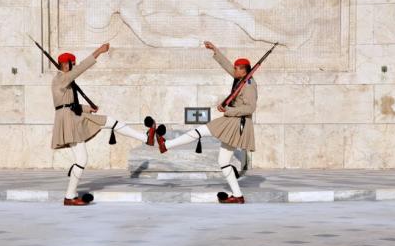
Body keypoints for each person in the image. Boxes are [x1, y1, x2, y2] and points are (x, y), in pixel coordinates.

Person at [51, 43, 159, 206]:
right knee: (104, 127)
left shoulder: (64, 80)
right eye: (69, 64)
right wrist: (98, 52)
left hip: (73, 116)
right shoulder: (61, 78)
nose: (71, 66)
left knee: (83, 157)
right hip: (69, 120)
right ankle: (145, 138)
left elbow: (68, 104)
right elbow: (79, 71)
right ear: (65, 64)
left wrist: (89, 108)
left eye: (70, 64)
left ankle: (69, 196)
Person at [153, 41, 257, 204]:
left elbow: (250, 108)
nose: (234, 70)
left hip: (237, 123)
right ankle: (238, 196)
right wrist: (216, 51)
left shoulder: (249, 85)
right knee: (223, 162)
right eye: (235, 68)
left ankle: (166, 145)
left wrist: (228, 111)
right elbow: (228, 66)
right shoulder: (241, 79)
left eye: (237, 68)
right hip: (233, 122)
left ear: (244, 71)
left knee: (201, 131)